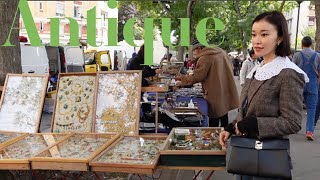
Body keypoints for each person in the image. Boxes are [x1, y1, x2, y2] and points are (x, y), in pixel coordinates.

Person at [219, 11, 308, 179]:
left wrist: (255, 125)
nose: (257, 40)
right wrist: (232, 127)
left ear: (280, 38)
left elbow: (293, 122)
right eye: (254, 34)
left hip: (268, 159)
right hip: (244, 153)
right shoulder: (257, 68)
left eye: (264, 34)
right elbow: (247, 109)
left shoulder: (287, 73)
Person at [176, 39, 239, 128]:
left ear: (199, 48)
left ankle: (215, 138)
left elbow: (197, 76)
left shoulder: (205, 57)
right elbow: (231, 67)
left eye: (194, 50)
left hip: (214, 91)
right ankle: (225, 135)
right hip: (225, 87)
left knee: (214, 117)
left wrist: (182, 78)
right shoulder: (220, 52)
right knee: (224, 113)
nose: (194, 53)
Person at [292, 36, 320, 141]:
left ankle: (294, 127)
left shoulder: (297, 55)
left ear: (302, 44)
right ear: (312, 44)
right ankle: (309, 131)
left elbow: (291, 70)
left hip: (299, 84)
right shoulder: (318, 56)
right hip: (312, 84)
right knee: (312, 109)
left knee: (296, 107)